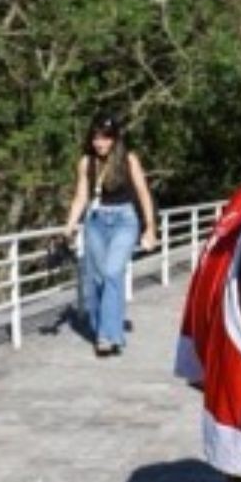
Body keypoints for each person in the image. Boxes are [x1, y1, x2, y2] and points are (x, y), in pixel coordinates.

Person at [64, 116, 157, 357]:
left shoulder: (129, 159)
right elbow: (81, 196)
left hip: (125, 221)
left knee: (112, 272)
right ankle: (105, 331)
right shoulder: (87, 163)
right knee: (96, 279)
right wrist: (70, 225)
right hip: (95, 222)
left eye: (105, 137)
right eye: (95, 137)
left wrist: (150, 227)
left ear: (115, 138)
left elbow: (144, 194)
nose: (99, 142)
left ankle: (108, 337)